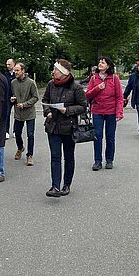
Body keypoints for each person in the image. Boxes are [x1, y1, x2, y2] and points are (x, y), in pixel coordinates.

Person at [42, 59, 88, 197]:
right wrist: (47, 112)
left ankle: (67, 184)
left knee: (68, 157)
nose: (53, 71)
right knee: (55, 157)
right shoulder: (51, 85)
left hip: (69, 127)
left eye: (56, 69)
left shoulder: (76, 87)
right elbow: (45, 101)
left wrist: (66, 110)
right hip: (53, 126)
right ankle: (55, 186)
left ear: (63, 72)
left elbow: (83, 106)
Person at [85, 56, 123, 170]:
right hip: (97, 111)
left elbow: (119, 97)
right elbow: (88, 95)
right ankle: (97, 161)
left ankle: (109, 160)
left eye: (103, 62)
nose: (100, 64)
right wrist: (98, 88)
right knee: (97, 136)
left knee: (110, 137)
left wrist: (119, 112)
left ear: (108, 66)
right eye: (100, 62)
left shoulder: (114, 78)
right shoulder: (93, 78)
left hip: (111, 111)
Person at [10, 63, 40, 166]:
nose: (15, 72)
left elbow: (36, 97)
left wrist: (25, 104)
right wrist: (12, 99)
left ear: (23, 71)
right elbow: (12, 95)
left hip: (29, 113)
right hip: (18, 113)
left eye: (17, 70)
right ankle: (20, 148)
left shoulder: (31, 82)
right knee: (17, 133)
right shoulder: (13, 83)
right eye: (15, 71)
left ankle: (30, 155)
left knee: (30, 135)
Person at [4, 58, 16, 138]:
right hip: (7, 97)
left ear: (14, 64)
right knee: (6, 114)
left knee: (18, 115)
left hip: (17, 97)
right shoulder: (5, 74)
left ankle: (16, 130)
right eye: (7, 64)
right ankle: (6, 131)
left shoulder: (17, 74)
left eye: (9, 64)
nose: (7, 66)